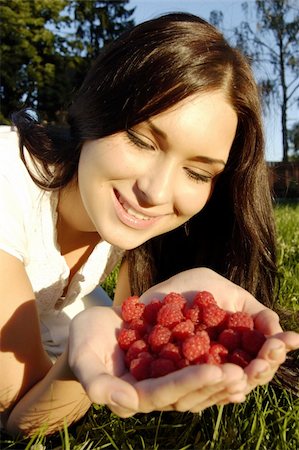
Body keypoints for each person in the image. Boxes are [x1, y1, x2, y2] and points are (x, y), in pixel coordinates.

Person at [1, 12, 298, 437]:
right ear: (92, 111)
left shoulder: (132, 234)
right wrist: (75, 365)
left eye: (198, 173)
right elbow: (15, 418)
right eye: (141, 141)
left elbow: (112, 334)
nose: (156, 192)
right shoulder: (5, 188)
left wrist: (99, 347)